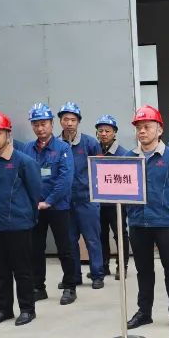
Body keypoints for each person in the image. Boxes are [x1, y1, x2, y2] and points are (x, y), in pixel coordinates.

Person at [126, 105, 169, 332]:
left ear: (159, 130)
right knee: (143, 271)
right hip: (138, 223)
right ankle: (144, 312)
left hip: (165, 223)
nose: (142, 131)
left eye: (147, 127)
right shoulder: (129, 158)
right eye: (139, 128)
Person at [0, 112, 42, 326]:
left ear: (7, 135)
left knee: (22, 270)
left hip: (18, 225)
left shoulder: (24, 161)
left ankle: (27, 309)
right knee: (0, 272)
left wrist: (27, 217)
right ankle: (4, 309)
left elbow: (35, 193)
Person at [19, 103, 78, 305]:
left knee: (65, 248)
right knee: (35, 248)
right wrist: (33, 202)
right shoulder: (27, 148)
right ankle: (38, 287)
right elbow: (23, 176)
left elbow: (65, 180)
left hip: (58, 207)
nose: (40, 128)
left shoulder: (63, 148)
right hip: (35, 208)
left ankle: (69, 287)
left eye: (43, 123)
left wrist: (49, 201)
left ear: (52, 124)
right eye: (36, 124)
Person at [57, 102, 106, 290]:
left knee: (92, 239)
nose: (69, 123)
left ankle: (97, 275)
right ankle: (74, 276)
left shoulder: (90, 143)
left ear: (78, 122)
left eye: (73, 120)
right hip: (65, 202)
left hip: (87, 200)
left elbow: (100, 170)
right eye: (66, 119)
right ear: (60, 121)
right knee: (69, 241)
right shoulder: (55, 144)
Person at [95, 114, 132, 279]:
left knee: (120, 234)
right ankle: (104, 266)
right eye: (100, 130)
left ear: (114, 132)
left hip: (117, 203)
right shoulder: (94, 150)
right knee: (101, 235)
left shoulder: (123, 153)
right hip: (99, 201)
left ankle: (122, 267)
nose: (103, 134)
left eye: (107, 131)